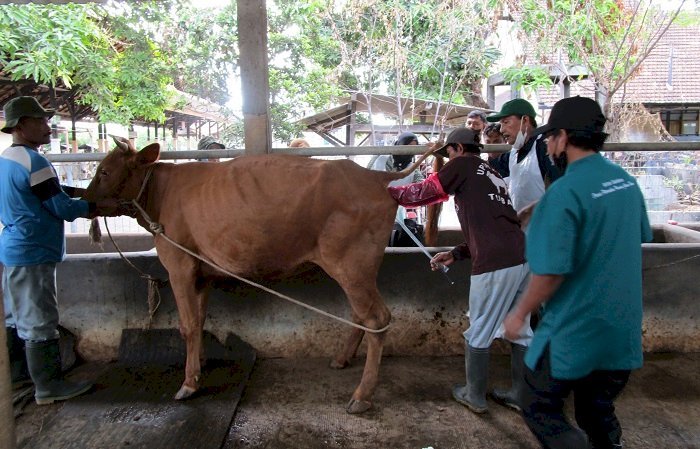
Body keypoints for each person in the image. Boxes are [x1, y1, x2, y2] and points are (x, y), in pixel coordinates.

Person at [503, 96, 653, 449]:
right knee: (595, 410)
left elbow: (551, 273)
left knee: (538, 404)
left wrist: (519, 314)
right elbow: (636, 237)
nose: (549, 144)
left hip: (575, 328)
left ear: (564, 137)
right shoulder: (627, 184)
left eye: (551, 137)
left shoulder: (564, 193)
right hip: (621, 329)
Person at [388, 128, 532, 414]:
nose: (448, 158)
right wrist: (456, 253)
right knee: (522, 329)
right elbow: (493, 225)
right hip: (521, 255)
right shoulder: (488, 170)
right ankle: (521, 394)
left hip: (495, 262)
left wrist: (389, 192)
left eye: (448, 153)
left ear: (456, 148)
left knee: (479, 329)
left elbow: (426, 191)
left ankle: (474, 395)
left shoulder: (463, 164)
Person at [1, 96, 120, 404]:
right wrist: (98, 206)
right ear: (23, 125)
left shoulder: (7, 159)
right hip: (34, 249)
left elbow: (48, 191)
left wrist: (83, 193)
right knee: (39, 318)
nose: (47, 126)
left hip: (15, 248)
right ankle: (49, 387)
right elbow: (61, 206)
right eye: (40, 121)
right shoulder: (35, 161)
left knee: (15, 316)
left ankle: (19, 377)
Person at [486, 99, 562, 214]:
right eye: (501, 124)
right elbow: (491, 169)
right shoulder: (513, 153)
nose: (501, 129)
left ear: (525, 120)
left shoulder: (543, 147)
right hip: (521, 229)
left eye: (506, 122)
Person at [369, 132, 426, 246]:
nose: (409, 151)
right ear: (399, 144)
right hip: (372, 209)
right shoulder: (379, 158)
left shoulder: (413, 169)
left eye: (413, 149)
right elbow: (365, 178)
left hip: (396, 214)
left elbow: (423, 186)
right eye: (406, 147)